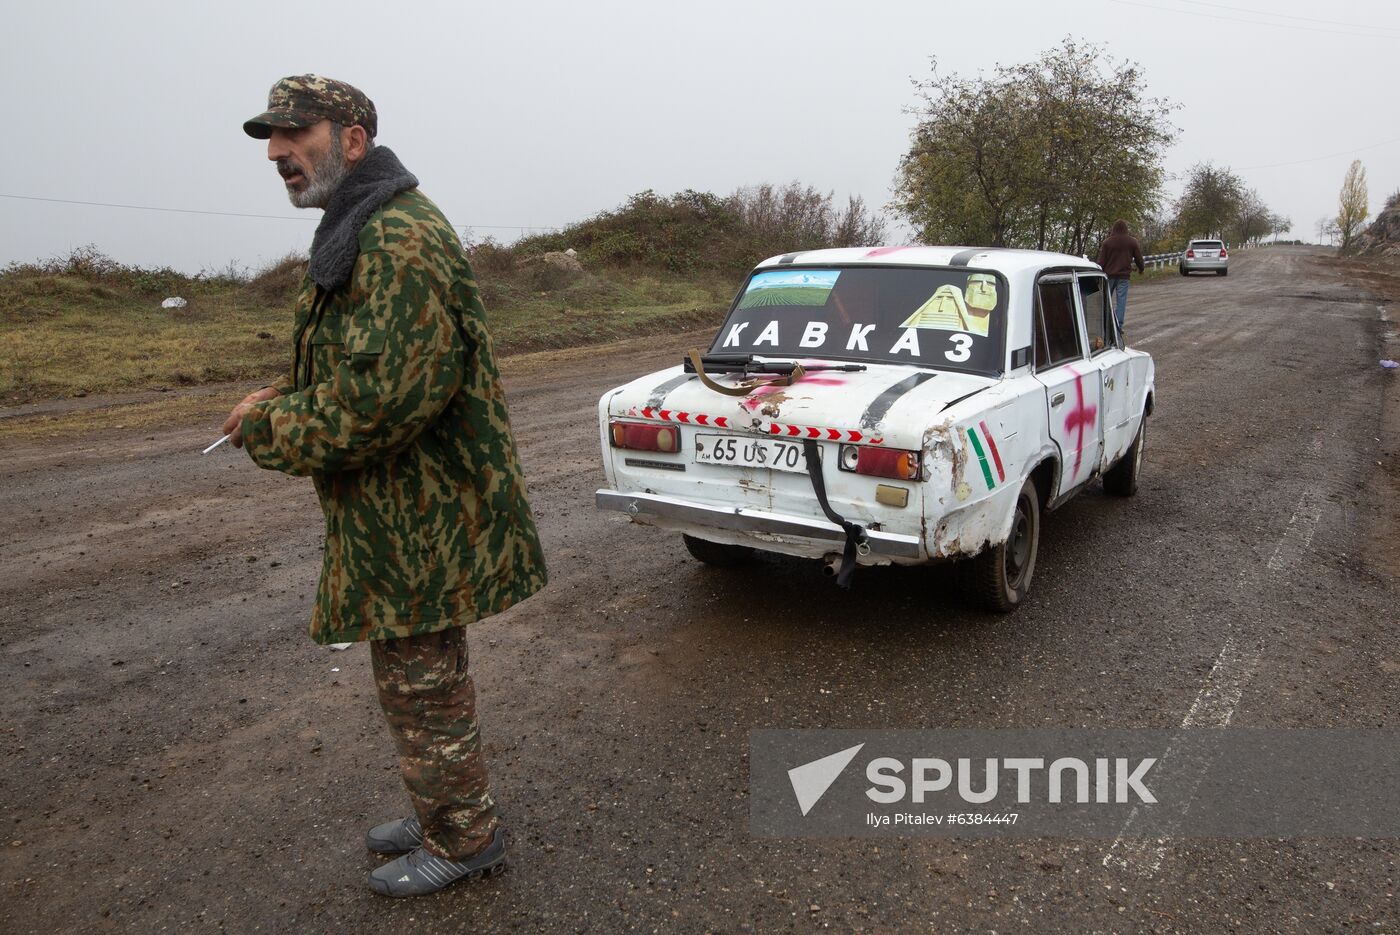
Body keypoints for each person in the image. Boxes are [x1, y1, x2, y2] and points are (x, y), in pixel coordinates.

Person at [223, 75, 547, 898]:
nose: (276, 152)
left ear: (353, 139)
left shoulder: (398, 238)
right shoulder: (364, 223)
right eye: (272, 137)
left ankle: (465, 835)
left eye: (294, 134)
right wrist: (284, 393)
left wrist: (270, 431)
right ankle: (445, 803)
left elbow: (381, 401)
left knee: (420, 674)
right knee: (415, 668)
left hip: (427, 511)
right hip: (399, 507)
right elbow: (357, 359)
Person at [1096, 219, 1145, 331]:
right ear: (1126, 229)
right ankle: (1118, 325)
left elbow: (1101, 262)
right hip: (1124, 277)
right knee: (1121, 301)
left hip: (1109, 276)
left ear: (1114, 229)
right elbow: (1139, 258)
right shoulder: (1132, 242)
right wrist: (1141, 269)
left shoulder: (1107, 242)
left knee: (1106, 300)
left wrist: (1097, 273)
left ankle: (1105, 326)